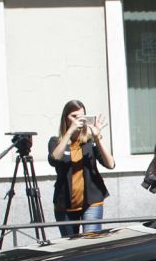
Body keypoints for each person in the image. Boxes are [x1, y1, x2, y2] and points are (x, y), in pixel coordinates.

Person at [48, 99, 115, 238]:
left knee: (90, 243)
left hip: (91, 202)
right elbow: (55, 159)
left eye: (81, 116)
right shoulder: (56, 142)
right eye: (74, 116)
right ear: (65, 118)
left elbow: (110, 164)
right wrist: (70, 131)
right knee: (71, 247)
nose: (78, 120)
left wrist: (97, 138)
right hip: (64, 205)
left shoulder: (89, 141)